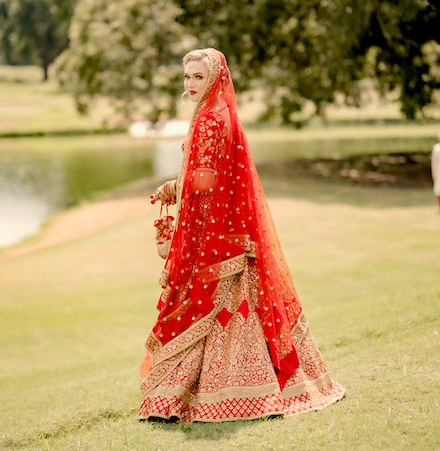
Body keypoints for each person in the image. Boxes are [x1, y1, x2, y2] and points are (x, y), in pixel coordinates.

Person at [140, 48, 345, 423]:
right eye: (187, 77)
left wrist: (174, 187)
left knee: (213, 307)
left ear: (215, 76)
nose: (191, 84)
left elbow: (206, 180)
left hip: (215, 234)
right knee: (243, 307)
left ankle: (204, 396)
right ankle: (258, 388)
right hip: (236, 233)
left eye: (198, 77)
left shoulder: (209, 120)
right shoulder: (222, 112)